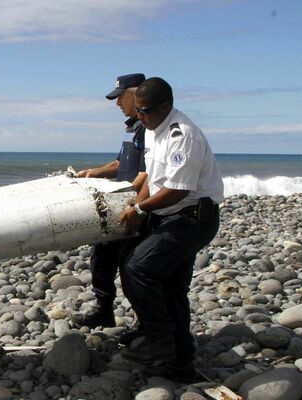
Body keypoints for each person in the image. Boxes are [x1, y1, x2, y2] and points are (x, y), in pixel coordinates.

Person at [119, 77, 223, 379]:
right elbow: (153, 176)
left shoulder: (183, 135)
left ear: (166, 106)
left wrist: (139, 209)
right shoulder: (153, 128)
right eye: (137, 111)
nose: (140, 117)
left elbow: (178, 189)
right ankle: (180, 361)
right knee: (170, 285)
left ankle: (159, 339)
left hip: (193, 218)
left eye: (146, 111)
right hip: (170, 215)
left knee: (139, 268)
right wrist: (139, 209)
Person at [71, 73, 147, 329]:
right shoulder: (131, 128)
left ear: (137, 95)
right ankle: (104, 309)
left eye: (120, 98)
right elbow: (119, 164)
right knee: (101, 257)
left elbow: (148, 174)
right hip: (119, 203)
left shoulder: (149, 129)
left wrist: (136, 206)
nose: (117, 104)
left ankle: (144, 321)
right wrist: (92, 172)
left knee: (131, 267)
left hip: (135, 206)